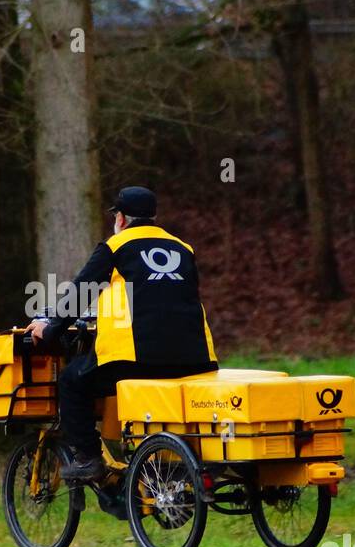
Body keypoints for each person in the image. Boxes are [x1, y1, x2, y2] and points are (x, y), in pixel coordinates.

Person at [25, 186, 218, 481]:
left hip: (139, 357)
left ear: (122, 219)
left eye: (115, 216)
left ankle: (88, 459)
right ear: (153, 217)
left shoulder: (116, 246)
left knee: (72, 381)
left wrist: (50, 329)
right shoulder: (183, 248)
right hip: (197, 359)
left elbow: (78, 294)